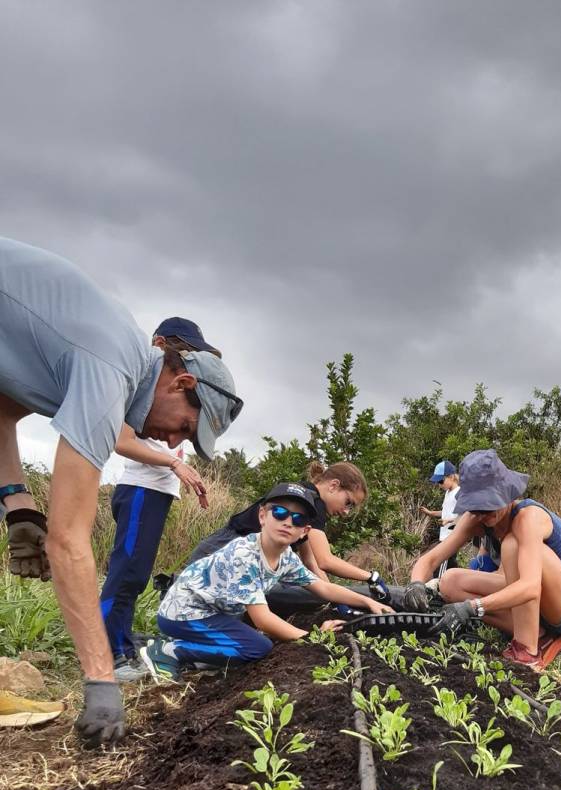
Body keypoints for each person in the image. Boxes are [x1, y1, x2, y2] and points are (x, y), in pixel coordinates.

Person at [0, 238, 243, 745]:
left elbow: (3, 407)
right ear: (182, 384)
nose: (176, 442)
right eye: (185, 430)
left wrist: (17, 502)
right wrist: (101, 680)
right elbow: (68, 538)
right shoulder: (110, 365)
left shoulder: (116, 352)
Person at [139, 482, 392, 680]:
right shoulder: (245, 554)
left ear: (304, 531)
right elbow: (263, 619)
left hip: (211, 613)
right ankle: (170, 651)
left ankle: (193, 654)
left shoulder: (285, 559)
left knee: (251, 642)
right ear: (263, 516)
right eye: (280, 512)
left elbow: (322, 587)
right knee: (258, 647)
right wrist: (313, 637)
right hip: (183, 614)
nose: (287, 522)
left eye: (298, 519)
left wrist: (367, 602)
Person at [403, 449, 561, 671]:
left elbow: (529, 587)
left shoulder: (528, 517)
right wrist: (415, 585)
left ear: (506, 494)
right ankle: (542, 634)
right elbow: (431, 559)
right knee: (450, 581)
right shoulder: (475, 519)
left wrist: (473, 607)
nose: (484, 514)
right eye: (477, 507)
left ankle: (527, 651)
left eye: (489, 505)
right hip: (544, 603)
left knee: (511, 545)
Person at [102, 318, 222, 683]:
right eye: (185, 351)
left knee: (136, 574)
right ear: (162, 344)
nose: (188, 358)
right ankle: (109, 653)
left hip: (156, 491)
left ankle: (120, 639)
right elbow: (121, 441)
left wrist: (181, 469)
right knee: (126, 574)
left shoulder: (168, 395)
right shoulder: (136, 385)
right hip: (140, 489)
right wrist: (173, 463)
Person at [186, 461, 392, 613]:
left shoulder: (307, 497)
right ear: (333, 485)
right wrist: (371, 577)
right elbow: (326, 561)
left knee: (310, 595)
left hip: (216, 551)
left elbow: (311, 563)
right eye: (349, 502)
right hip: (220, 556)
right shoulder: (314, 502)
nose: (346, 511)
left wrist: (337, 602)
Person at [419, 460, 460, 576]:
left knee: (441, 568)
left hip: (451, 536)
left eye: (441, 481)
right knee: (449, 566)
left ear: (451, 477)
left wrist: (449, 521)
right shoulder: (448, 493)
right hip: (445, 535)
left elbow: (464, 515)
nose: (439, 485)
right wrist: (431, 513)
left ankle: (439, 589)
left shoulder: (458, 493)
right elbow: (446, 512)